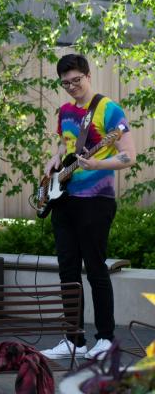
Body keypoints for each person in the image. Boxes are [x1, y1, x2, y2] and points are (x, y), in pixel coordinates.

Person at [40, 54, 136, 361]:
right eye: (65, 83)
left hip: (96, 200)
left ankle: (105, 339)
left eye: (76, 80)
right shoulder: (66, 111)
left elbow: (128, 156)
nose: (71, 87)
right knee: (67, 271)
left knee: (95, 270)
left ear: (88, 75)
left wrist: (96, 162)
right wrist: (56, 159)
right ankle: (74, 340)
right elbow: (66, 143)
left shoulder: (110, 110)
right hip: (64, 199)